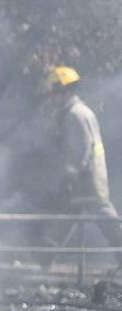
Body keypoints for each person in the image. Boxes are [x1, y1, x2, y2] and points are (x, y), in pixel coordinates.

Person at [45, 66, 122, 253]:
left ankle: (45, 256)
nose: (51, 97)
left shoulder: (75, 114)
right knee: (69, 212)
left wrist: (69, 177)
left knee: (103, 215)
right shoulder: (76, 112)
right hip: (86, 177)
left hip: (88, 179)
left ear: (65, 91)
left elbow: (80, 150)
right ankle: (46, 255)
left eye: (54, 93)